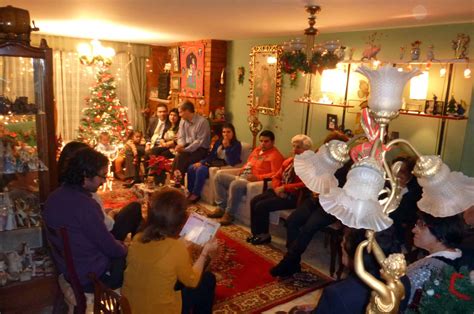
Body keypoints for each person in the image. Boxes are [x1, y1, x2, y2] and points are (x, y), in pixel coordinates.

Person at [43, 147, 127, 292]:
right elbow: (111, 249)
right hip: (90, 277)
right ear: (85, 174)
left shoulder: (54, 197)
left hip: (70, 268)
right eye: (102, 176)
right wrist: (125, 247)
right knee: (136, 264)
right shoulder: (85, 205)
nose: (103, 181)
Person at [122, 188, 218, 314]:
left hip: (130, 307)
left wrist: (183, 247)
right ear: (181, 220)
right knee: (208, 280)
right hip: (161, 310)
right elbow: (192, 281)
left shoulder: (138, 238)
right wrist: (204, 253)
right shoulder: (176, 248)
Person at [270, 131, 351, 277]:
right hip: (315, 199)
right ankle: (293, 262)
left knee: (309, 227)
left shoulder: (347, 166)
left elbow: (345, 190)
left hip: (332, 205)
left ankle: (288, 261)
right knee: (292, 221)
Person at [310, 227, 410, 314]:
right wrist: (372, 242)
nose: (342, 243)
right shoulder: (404, 281)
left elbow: (361, 272)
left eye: (345, 239)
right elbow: (381, 260)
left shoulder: (336, 294)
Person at [247, 134, 312, 245]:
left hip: (294, 196)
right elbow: (276, 177)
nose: (295, 150)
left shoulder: (309, 165)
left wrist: (284, 188)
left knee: (261, 205)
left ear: (306, 150)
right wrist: (278, 188)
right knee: (254, 201)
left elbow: (306, 184)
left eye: (298, 147)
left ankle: (264, 235)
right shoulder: (289, 161)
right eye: (294, 146)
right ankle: (256, 233)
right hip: (279, 191)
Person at [210, 130, 284, 225]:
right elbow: (248, 164)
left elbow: (275, 175)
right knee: (218, 176)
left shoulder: (275, 156)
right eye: (261, 141)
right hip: (244, 176)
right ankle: (221, 208)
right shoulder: (257, 150)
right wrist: (241, 172)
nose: (263, 144)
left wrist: (257, 178)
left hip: (255, 183)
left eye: (266, 141)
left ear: (273, 142)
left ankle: (229, 214)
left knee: (236, 184)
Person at [406, 212, 464, 305]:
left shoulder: (428, 267)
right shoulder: (462, 258)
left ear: (440, 231)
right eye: (416, 224)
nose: (413, 230)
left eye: (421, 225)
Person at [186, 123, 242, 204]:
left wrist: (228, 147)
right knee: (192, 167)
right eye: (224, 132)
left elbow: (232, 161)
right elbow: (211, 155)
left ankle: (196, 194)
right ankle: (190, 191)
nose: (225, 134)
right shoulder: (219, 142)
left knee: (201, 170)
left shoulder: (237, 145)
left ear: (233, 133)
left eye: (228, 132)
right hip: (213, 162)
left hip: (224, 165)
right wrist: (201, 162)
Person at [172, 101, 211, 179]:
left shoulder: (202, 122)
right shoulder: (183, 121)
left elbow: (199, 142)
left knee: (182, 159)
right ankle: (176, 180)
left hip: (201, 150)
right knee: (178, 156)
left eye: (180, 112)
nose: (179, 115)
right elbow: (181, 136)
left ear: (187, 111)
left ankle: (178, 182)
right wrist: (180, 145)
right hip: (188, 147)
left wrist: (185, 149)